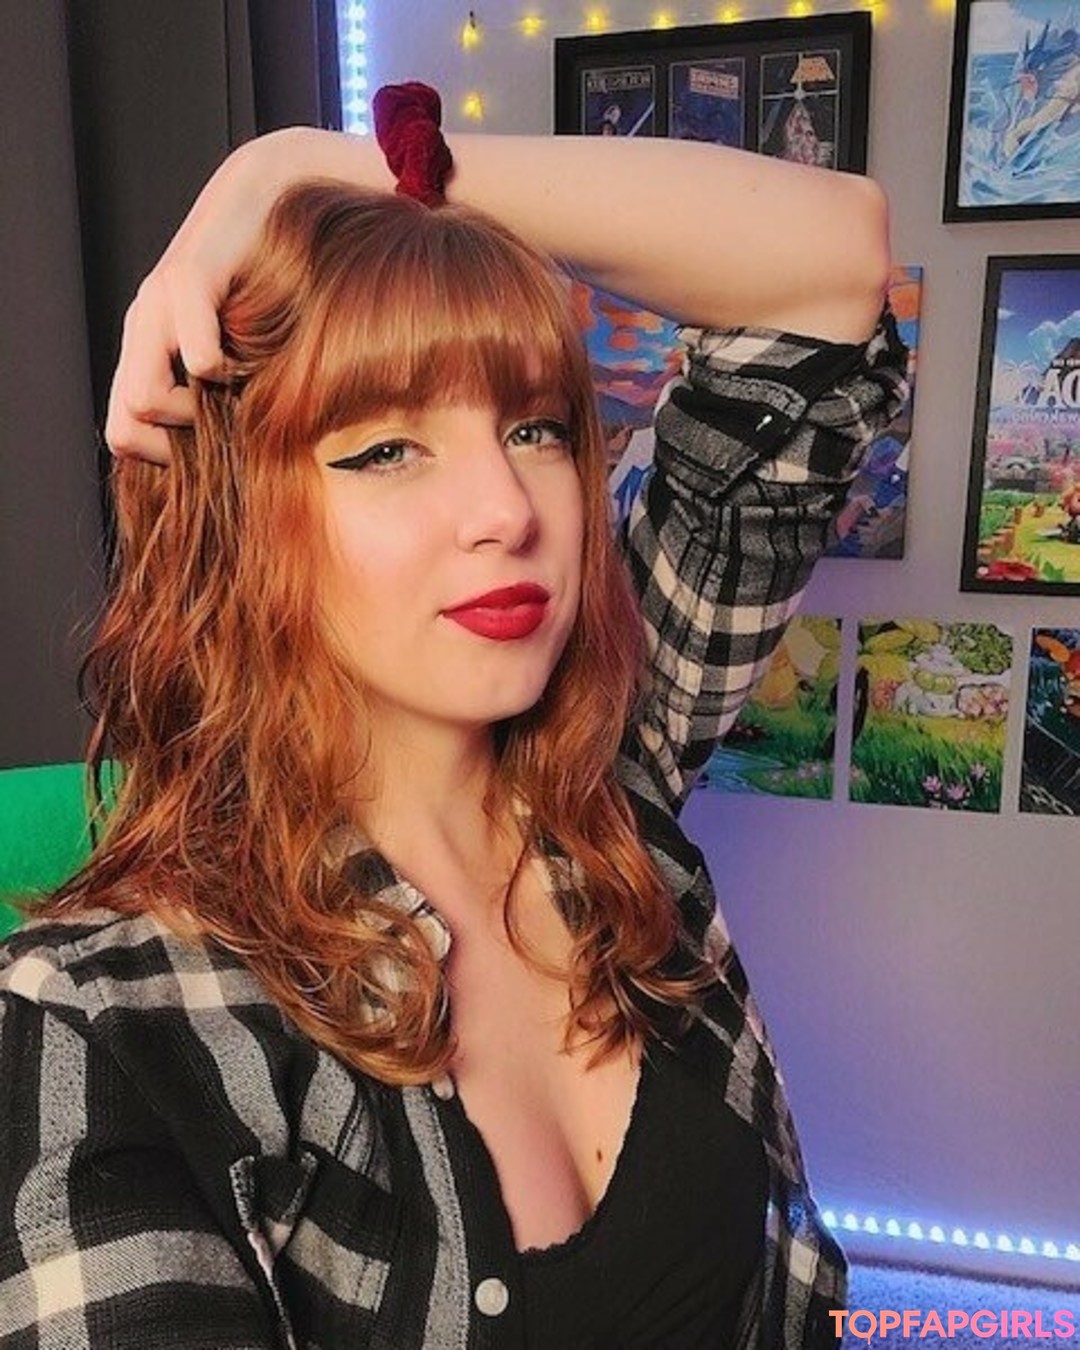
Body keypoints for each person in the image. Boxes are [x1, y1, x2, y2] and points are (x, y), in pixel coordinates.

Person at [0, 84, 907, 1349]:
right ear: (234, 521)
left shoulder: (610, 785)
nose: (508, 510)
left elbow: (831, 267)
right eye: (385, 450)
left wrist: (311, 162)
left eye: (535, 428)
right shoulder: (114, 1030)